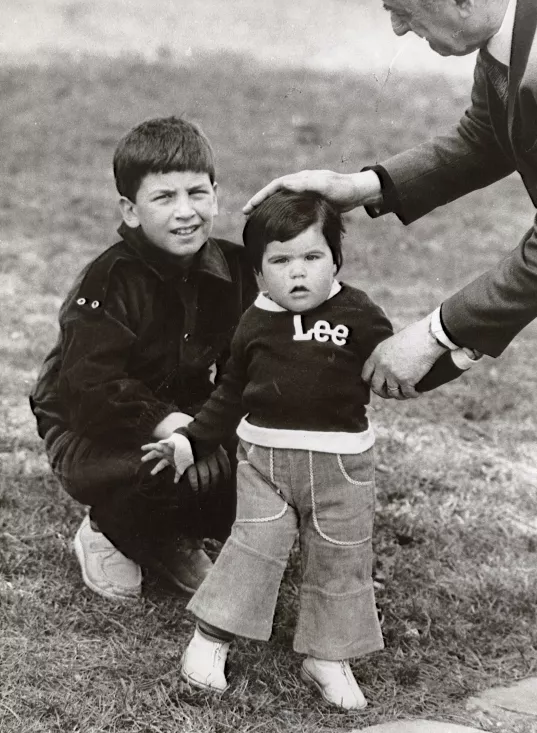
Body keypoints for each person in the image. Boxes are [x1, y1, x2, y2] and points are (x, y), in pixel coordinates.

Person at [242, 0, 537, 733]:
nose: (396, 31)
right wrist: (366, 186)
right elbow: (489, 133)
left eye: (401, 12)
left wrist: (437, 335)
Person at [141, 189, 394, 710]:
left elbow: (398, 367)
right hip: (265, 464)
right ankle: (210, 640)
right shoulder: (255, 323)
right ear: (258, 272)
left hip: (342, 467)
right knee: (251, 551)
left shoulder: (360, 314)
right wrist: (190, 439)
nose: (297, 273)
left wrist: (453, 351)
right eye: (279, 261)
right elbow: (230, 393)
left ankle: (328, 654)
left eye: (311, 257)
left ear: (335, 259)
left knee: (340, 558)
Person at [30, 116, 256, 602]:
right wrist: (186, 433)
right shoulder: (109, 280)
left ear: (216, 193)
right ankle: (111, 529)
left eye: (197, 192)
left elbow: (252, 359)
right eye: (164, 198)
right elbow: (88, 389)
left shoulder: (236, 268)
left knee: (260, 467)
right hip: (90, 427)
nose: (185, 212)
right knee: (178, 465)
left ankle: (175, 529)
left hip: (184, 415)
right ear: (130, 211)